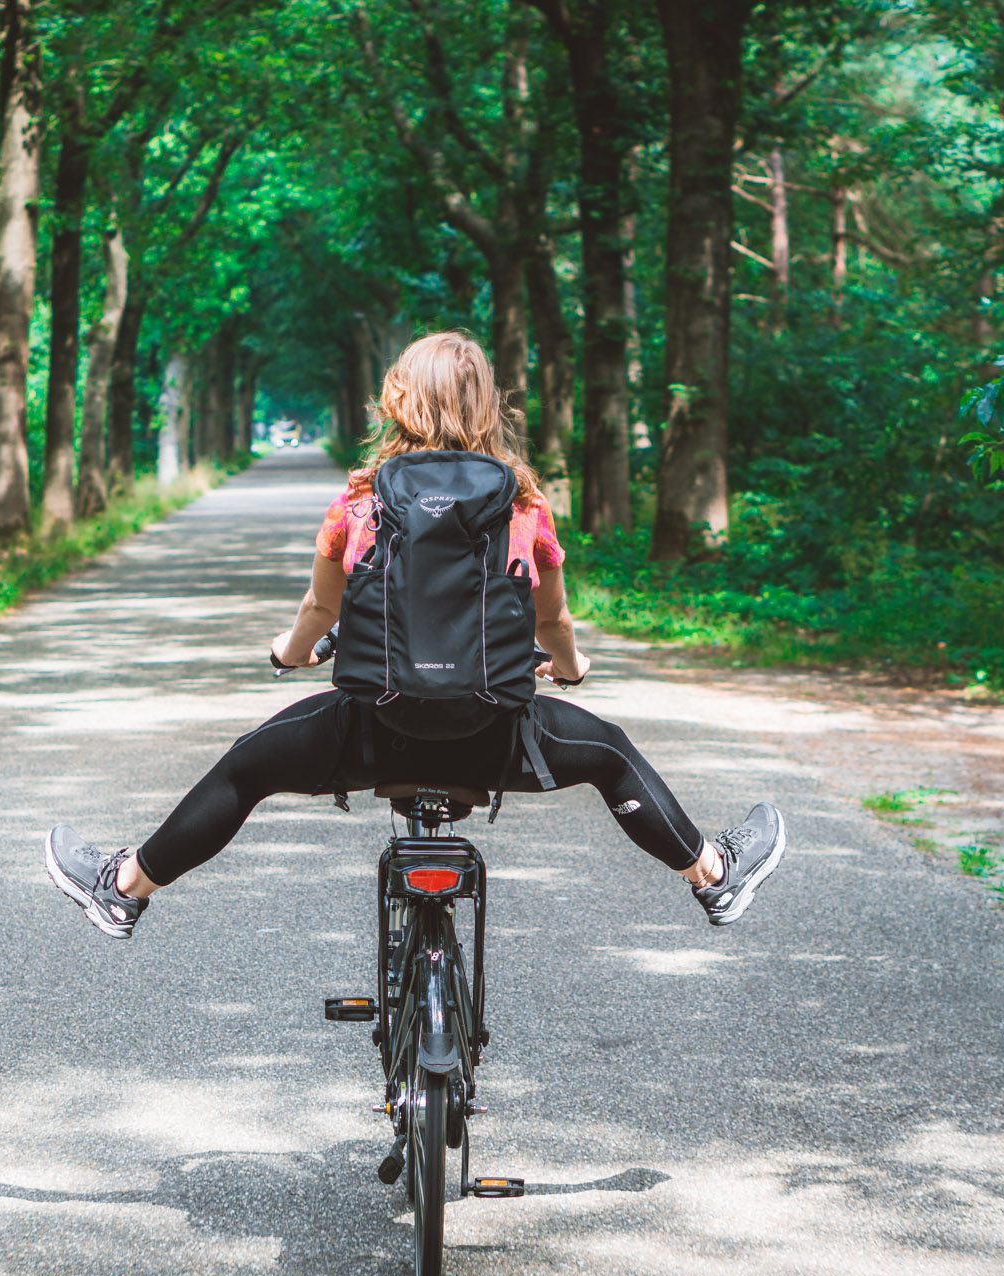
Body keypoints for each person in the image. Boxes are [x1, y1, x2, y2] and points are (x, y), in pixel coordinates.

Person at [45, 331, 786, 940]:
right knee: (612, 752)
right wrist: (571, 664)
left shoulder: (361, 502)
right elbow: (550, 621)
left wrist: (290, 653)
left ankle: (123, 888)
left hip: (372, 732)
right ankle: (714, 877)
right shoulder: (523, 504)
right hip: (498, 736)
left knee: (246, 768)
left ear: (397, 400)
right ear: (488, 406)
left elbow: (320, 611)